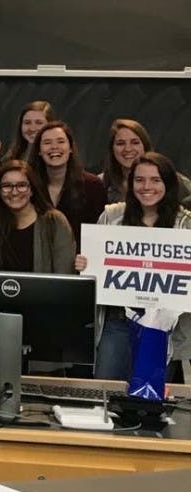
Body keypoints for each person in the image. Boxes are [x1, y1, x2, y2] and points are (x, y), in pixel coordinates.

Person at [76, 153, 191, 381]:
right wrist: (86, 264)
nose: (146, 186)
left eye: (155, 180)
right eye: (139, 180)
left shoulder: (186, 223)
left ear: (168, 183)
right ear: (131, 183)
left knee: (152, 402)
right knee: (105, 395)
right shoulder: (111, 216)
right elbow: (95, 268)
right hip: (118, 321)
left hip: (164, 329)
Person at [0, 159, 75, 274]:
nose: (14, 192)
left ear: (32, 190)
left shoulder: (54, 221)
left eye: (21, 185)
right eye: (7, 186)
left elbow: (65, 274)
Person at [28, 120, 107, 247]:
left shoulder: (92, 186)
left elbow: (99, 234)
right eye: (47, 143)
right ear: (39, 151)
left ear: (70, 148)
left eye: (60, 141)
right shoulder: (29, 185)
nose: (54, 147)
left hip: (80, 263)